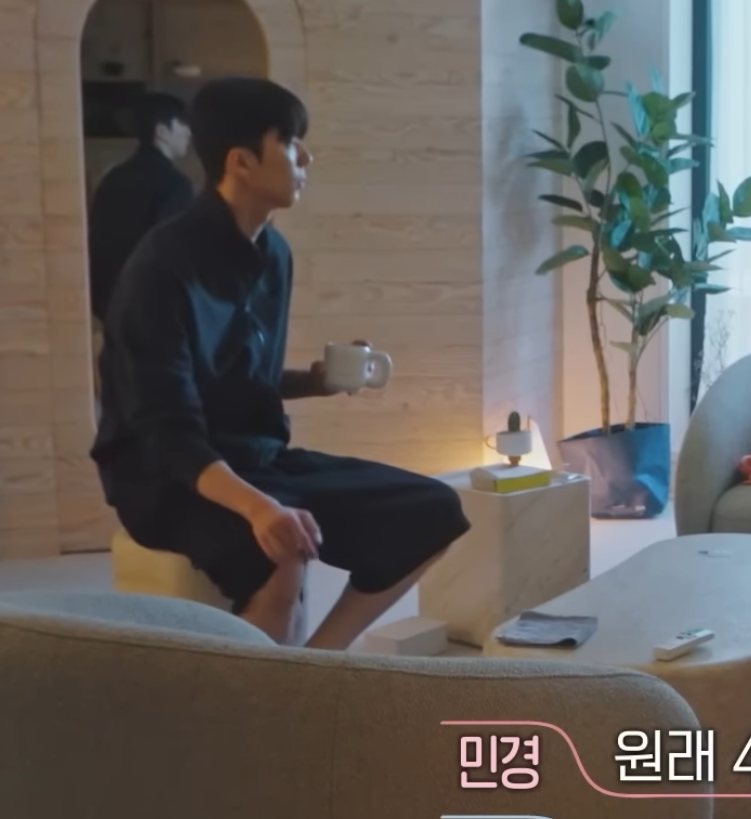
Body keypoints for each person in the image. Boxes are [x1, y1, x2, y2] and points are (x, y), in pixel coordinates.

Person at [91, 77, 471, 648]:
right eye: (291, 143)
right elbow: (165, 429)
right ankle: (273, 688)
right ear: (241, 162)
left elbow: (238, 379)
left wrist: (313, 383)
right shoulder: (162, 265)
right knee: (278, 550)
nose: (306, 158)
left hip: (257, 458)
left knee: (434, 510)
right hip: (165, 476)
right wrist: (262, 509)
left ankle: (317, 664)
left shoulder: (274, 255)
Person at [88, 92, 196, 325]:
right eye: (182, 124)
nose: (189, 132)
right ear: (161, 131)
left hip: (104, 300)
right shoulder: (174, 183)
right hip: (151, 304)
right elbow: (173, 251)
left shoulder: (112, 178)